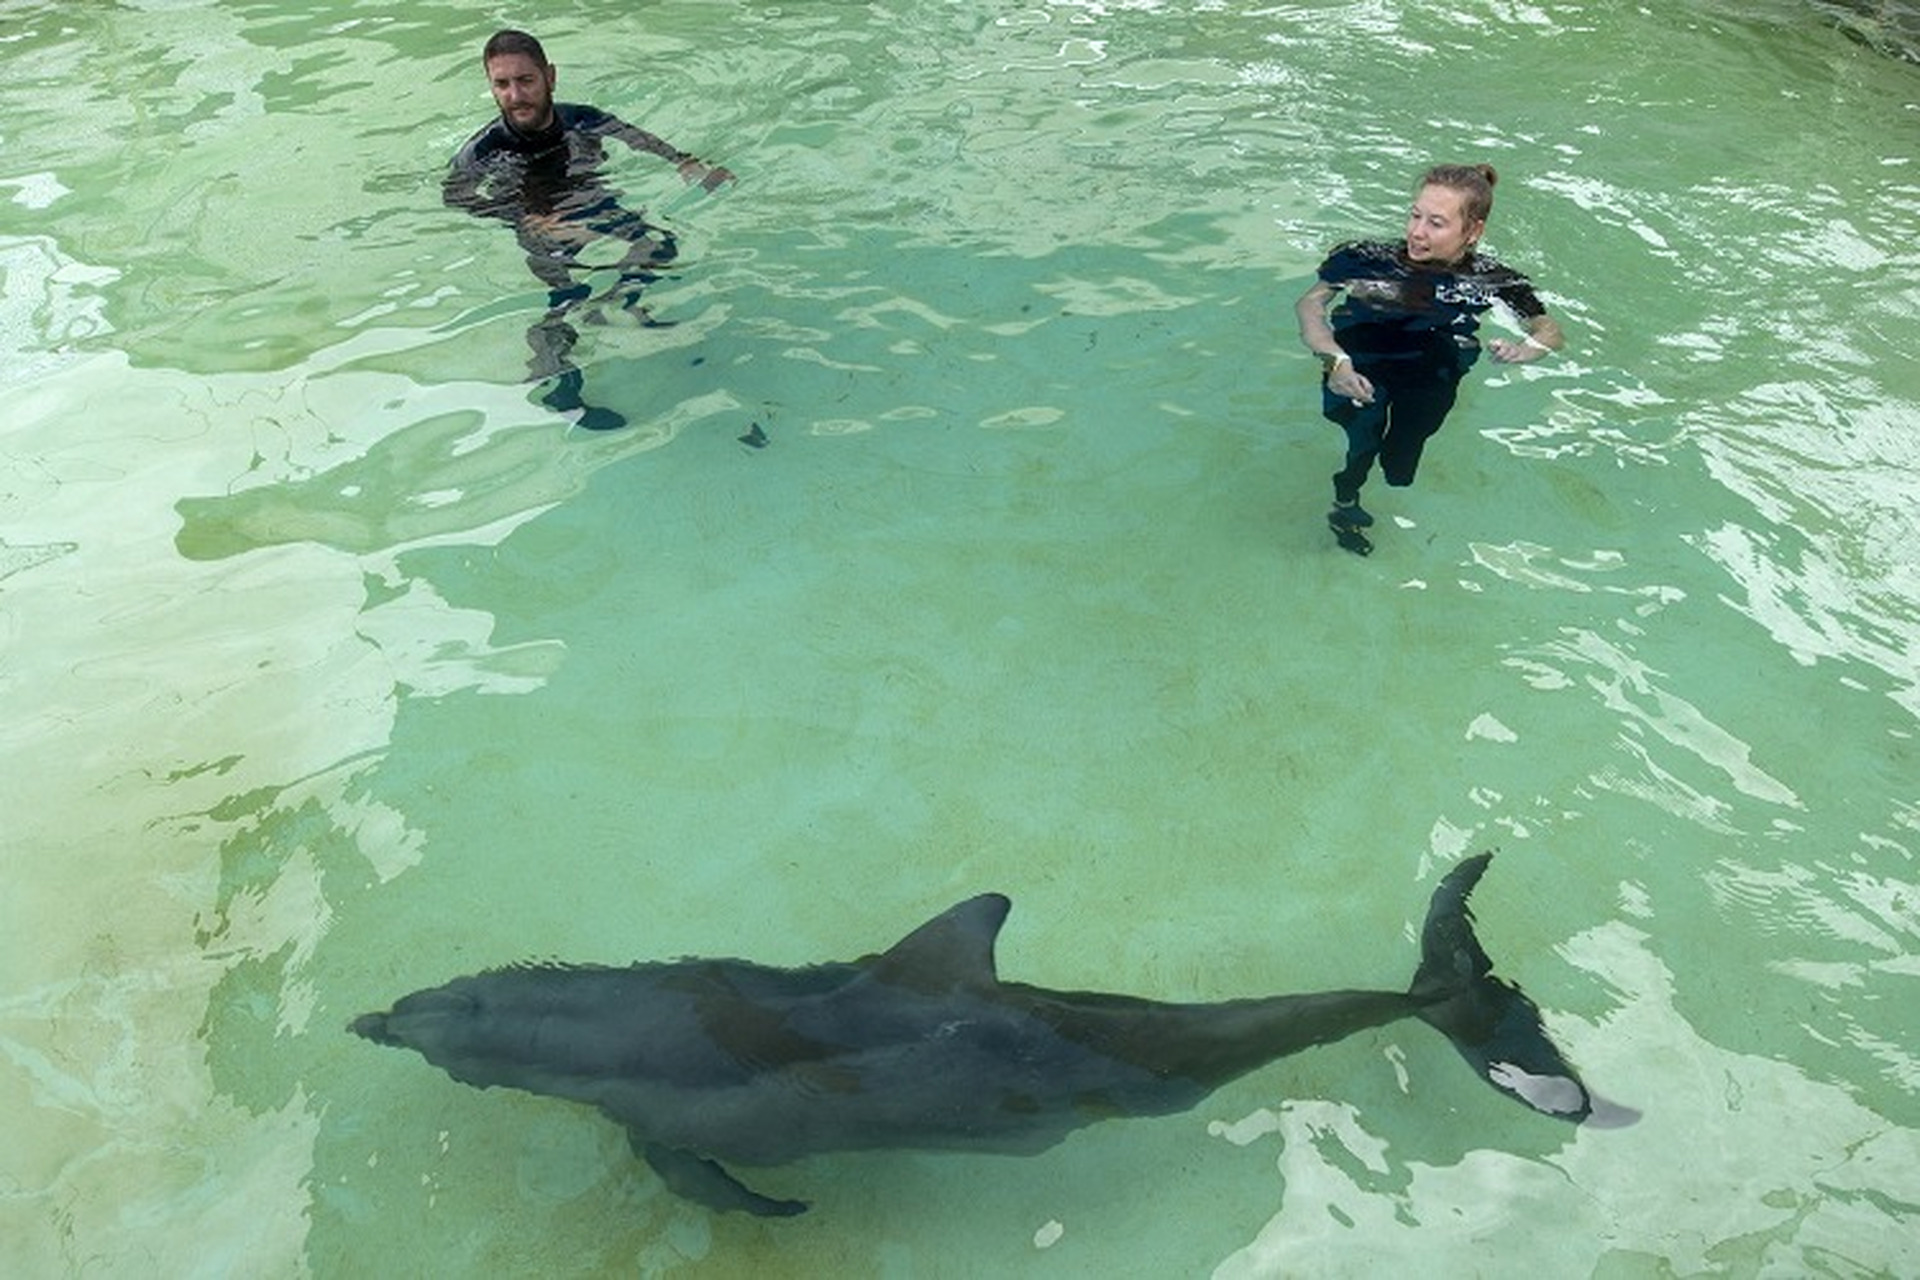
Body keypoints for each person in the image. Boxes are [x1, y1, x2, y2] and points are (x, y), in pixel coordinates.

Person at [445, 29, 734, 430]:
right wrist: (522, 217)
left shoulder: (582, 118)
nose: (515, 95)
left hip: (594, 202)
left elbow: (639, 140)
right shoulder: (485, 148)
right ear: (491, 87)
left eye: (525, 80)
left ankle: (619, 305)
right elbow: (455, 196)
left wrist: (686, 162)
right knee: (566, 296)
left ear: (550, 76)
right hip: (539, 219)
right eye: (502, 84)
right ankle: (559, 385)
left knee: (660, 246)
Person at [1294, 164, 1562, 554]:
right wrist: (1334, 360)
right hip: (1358, 367)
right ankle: (1345, 501)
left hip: (1432, 374)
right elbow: (1310, 304)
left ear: (1473, 232)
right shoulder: (1364, 258)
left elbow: (1550, 330)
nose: (1416, 232)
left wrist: (1527, 350)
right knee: (1361, 443)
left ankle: (1395, 459)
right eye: (1415, 215)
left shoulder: (1494, 281)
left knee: (1401, 463)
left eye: (1436, 223)